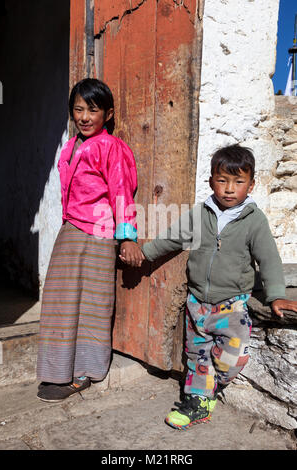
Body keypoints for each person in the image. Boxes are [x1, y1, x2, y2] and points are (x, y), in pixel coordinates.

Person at [120, 144, 297, 430]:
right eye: (222, 180)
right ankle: (198, 403)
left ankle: (210, 385)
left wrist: (276, 295)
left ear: (251, 185)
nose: (229, 189)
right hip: (197, 302)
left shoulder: (254, 220)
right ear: (211, 180)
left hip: (233, 303)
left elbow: (269, 260)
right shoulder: (201, 213)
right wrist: (145, 253)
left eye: (238, 182)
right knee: (196, 355)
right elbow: (173, 238)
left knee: (233, 358)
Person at [37, 78, 144, 402]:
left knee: (94, 304)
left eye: (93, 110)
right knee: (60, 301)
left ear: (108, 114)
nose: (84, 116)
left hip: (98, 234)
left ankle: (85, 372)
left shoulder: (111, 147)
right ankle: (58, 369)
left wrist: (126, 238)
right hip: (70, 231)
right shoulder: (70, 147)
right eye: (78, 109)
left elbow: (121, 193)